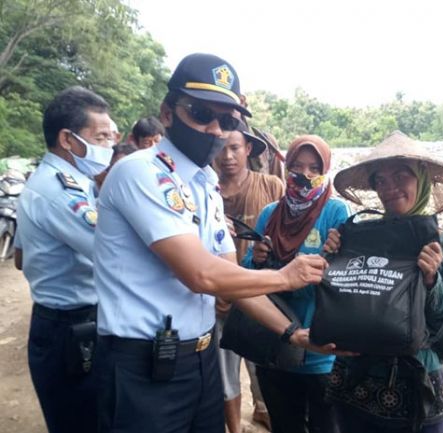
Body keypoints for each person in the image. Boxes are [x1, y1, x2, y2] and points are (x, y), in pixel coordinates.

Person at [93, 53, 336, 433]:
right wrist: (286, 277)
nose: (214, 129)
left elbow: (231, 278)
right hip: (144, 366)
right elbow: (202, 275)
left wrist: (292, 333)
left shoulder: (206, 185)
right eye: (201, 113)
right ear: (168, 112)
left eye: (226, 120)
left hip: (201, 361)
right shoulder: (140, 173)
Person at [325, 130, 443, 433]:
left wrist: (431, 281)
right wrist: (330, 257)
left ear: (422, 180)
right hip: (354, 381)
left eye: (401, 176)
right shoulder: (359, 238)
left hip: (416, 385)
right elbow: (335, 300)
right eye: (380, 179)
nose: (389, 187)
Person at [14, 86, 115, 433]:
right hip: (71, 328)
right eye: (101, 137)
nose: (109, 146)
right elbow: (113, 251)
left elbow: (19, 257)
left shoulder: (70, 184)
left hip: (66, 322)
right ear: (68, 139)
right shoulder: (60, 192)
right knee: (82, 422)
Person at [243, 134, 352, 433]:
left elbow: (350, 276)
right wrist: (259, 259)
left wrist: (337, 255)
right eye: (297, 166)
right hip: (275, 343)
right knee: (285, 425)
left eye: (314, 168)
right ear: (286, 167)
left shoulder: (336, 212)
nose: (304, 175)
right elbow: (246, 274)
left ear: (324, 170)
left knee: (325, 427)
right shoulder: (270, 214)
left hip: (320, 350)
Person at [213, 122, 285, 433]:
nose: (227, 156)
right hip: (218, 297)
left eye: (234, 148)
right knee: (225, 370)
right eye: (220, 148)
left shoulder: (271, 186)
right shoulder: (206, 191)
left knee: (264, 365)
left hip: (261, 293)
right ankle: (234, 427)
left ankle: (264, 410)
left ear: (248, 150)